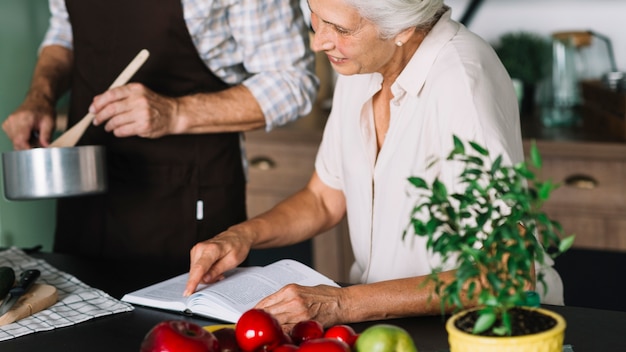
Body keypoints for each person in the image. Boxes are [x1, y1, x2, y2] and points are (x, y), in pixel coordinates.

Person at [184, 0, 564, 329]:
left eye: (340, 27)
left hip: (477, 329)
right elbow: (323, 198)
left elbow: (508, 275)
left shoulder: (462, 82)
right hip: (389, 322)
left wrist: (343, 304)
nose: (319, 42)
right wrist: (242, 236)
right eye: (315, 16)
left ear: (403, 27)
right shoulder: (363, 63)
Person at [2, 0, 318, 267]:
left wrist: (175, 113)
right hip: (86, 192)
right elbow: (64, 31)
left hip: (186, 195)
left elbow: (293, 81)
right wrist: (41, 94)